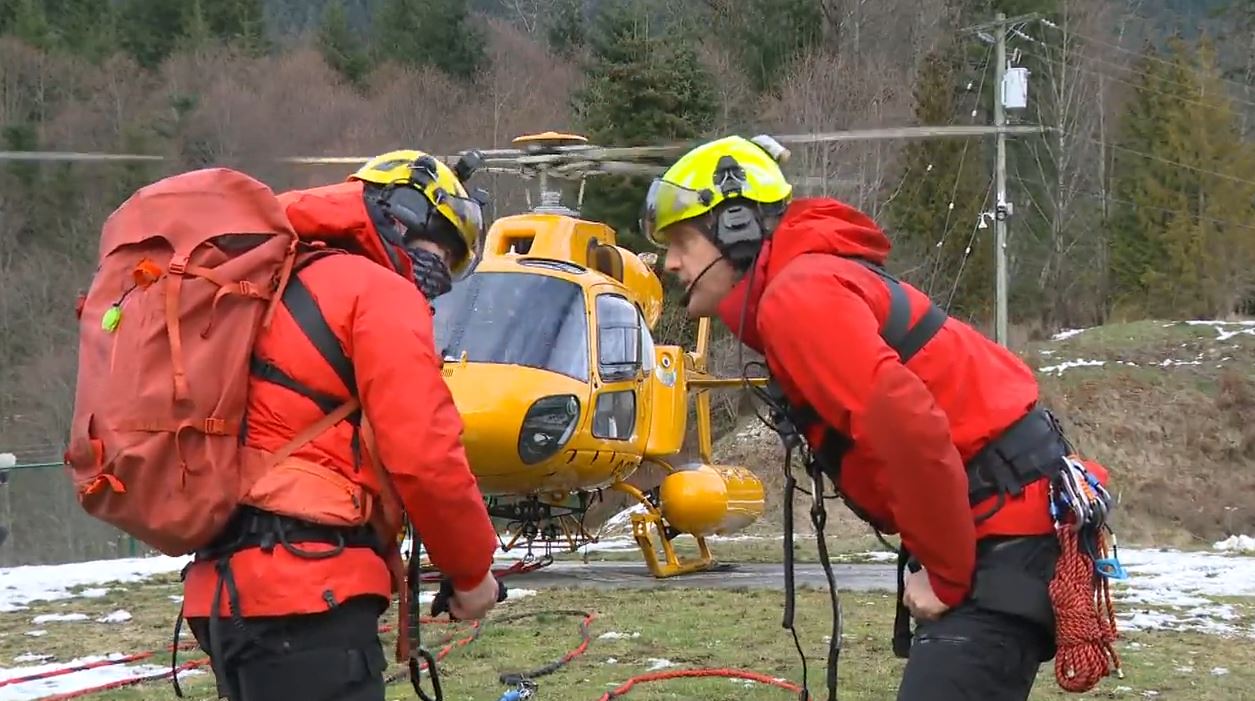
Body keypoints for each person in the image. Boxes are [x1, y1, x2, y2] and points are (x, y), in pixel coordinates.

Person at [640, 135, 1111, 701]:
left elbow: (910, 429)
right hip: (997, 522)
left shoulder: (799, 297)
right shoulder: (808, 282)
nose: (668, 263)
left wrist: (946, 573)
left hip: (1002, 532)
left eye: (681, 242)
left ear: (735, 228)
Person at [179, 150, 501, 701]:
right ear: (400, 216)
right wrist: (472, 574)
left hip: (225, 594)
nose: (439, 278)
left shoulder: (273, 285)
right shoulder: (376, 292)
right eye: (441, 250)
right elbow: (426, 455)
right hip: (306, 593)